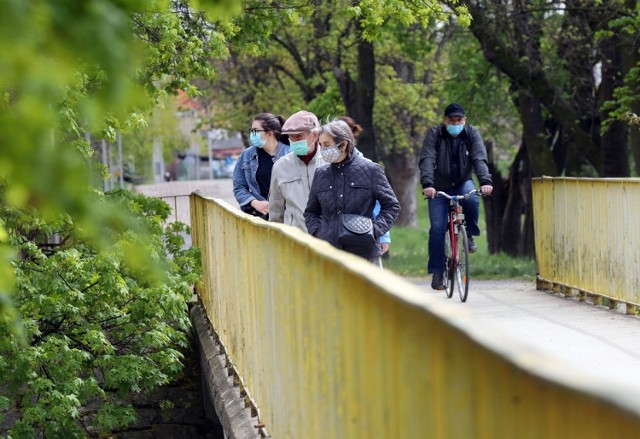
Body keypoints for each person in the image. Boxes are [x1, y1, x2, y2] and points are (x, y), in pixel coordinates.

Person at [304, 119, 400, 266]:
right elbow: (311, 212)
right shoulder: (321, 174)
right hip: (329, 252)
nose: (323, 150)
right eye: (321, 145)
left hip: (365, 252)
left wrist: (375, 231)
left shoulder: (371, 170)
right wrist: (317, 232)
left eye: (327, 145)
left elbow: (392, 206)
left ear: (343, 144)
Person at [418, 103, 493, 290]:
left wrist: (485, 181)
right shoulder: (435, 134)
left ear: (464, 120)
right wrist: (428, 184)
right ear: (444, 120)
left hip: (462, 181)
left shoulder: (471, 134)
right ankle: (437, 272)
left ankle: (470, 234)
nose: (456, 124)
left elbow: (479, 157)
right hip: (439, 186)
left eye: (459, 120)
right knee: (436, 229)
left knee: (472, 199)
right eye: (452, 120)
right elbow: (427, 158)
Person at [338, 116, 391, 259]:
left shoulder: (368, 166)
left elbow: (381, 204)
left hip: (361, 237)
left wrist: (383, 235)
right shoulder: (322, 167)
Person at [268, 110, 325, 230]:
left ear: (314, 135)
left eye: (299, 136)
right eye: (291, 137)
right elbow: (275, 210)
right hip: (295, 240)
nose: (294, 141)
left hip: (328, 239)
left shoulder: (330, 162)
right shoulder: (280, 166)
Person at [233, 113, 290, 220]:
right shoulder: (246, 156)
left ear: (269, 134)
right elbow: (239, 187)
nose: (252, 134)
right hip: (259, 218)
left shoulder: (291, 154)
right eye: (251, 131)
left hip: (288, 217)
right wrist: (254, 202)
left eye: (255, 130)